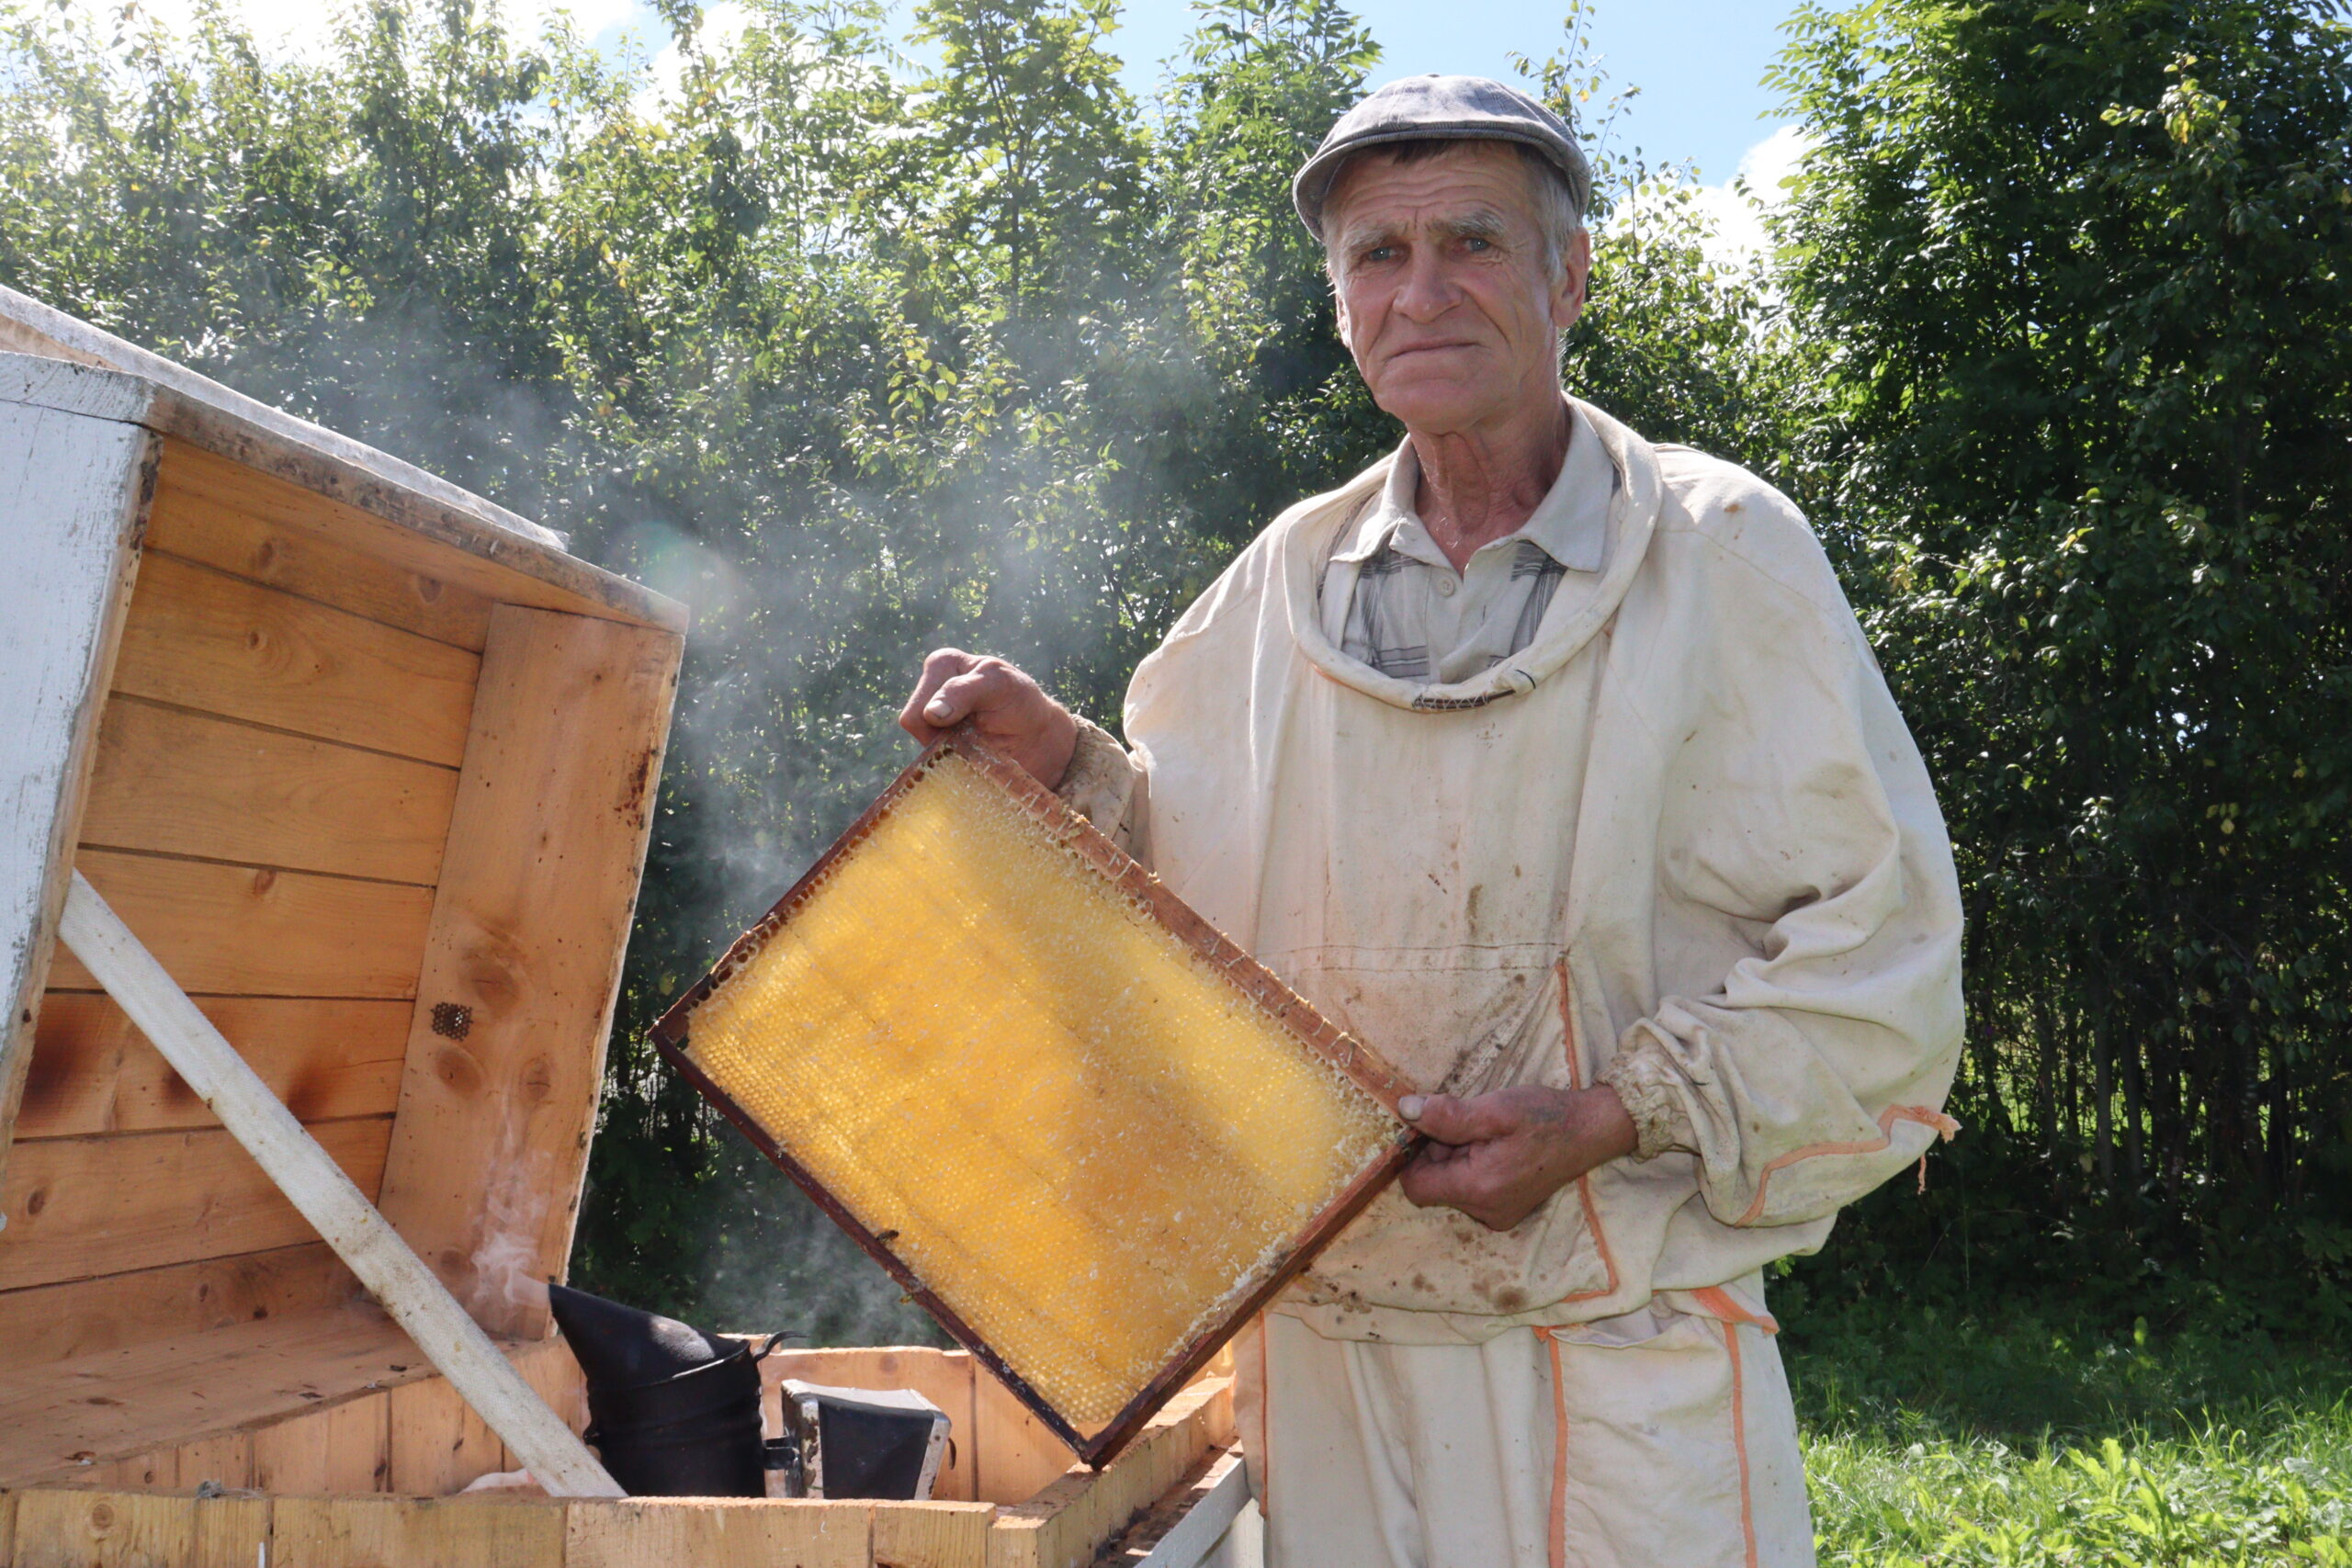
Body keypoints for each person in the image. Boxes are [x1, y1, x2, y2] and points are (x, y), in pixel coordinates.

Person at [898, 74, 1962, 1568]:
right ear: (1339, 304)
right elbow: (1200, 887)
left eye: (1472, 241)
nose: (1423, 292)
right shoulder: (1281, 578)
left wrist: (1607, 1117)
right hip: (1325, 1357)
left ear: (1568, 273)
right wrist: (1068, 767)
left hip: (1612, 1360)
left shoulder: (1722, 552)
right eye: (1377, 259)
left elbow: (1886, 955)